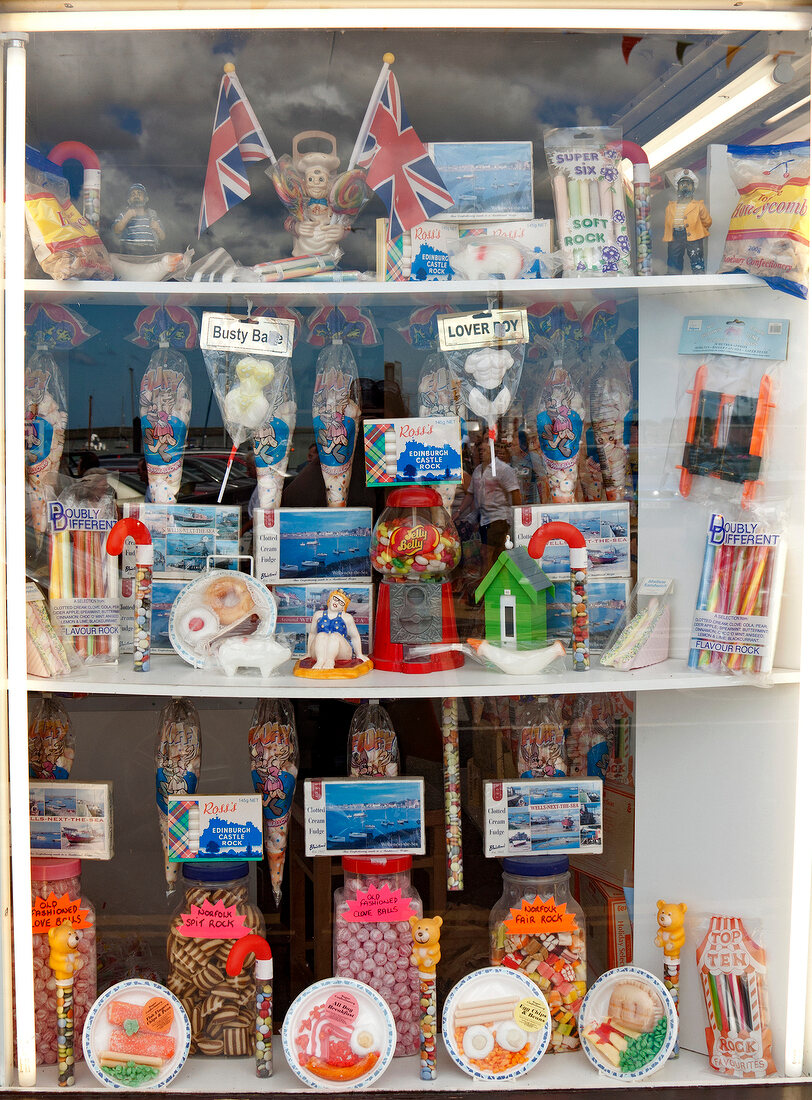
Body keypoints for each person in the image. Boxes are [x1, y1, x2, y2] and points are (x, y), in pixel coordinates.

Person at [455, 438, 520, 570]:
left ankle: (485, 583)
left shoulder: (503, 469)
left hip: (499, 517)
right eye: (479, 450)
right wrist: (459, 512)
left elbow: (515, 493)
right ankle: (497, 582)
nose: (481, 453)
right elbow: (470, 494)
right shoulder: (478, 470)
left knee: (486, 553)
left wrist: (516, 516)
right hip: (483, 518)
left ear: (492, 451)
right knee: (495, 553)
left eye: (484, 450)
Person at [663, 169, 711, 274]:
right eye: (682, 183)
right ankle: (673, 274)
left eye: (688, 184)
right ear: (677, 187)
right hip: (675, 236)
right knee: (674, 257)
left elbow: (707, 221)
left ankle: (698, 271)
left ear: (693, 187)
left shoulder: (699, 205)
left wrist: (698, 229)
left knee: (696, 256)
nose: (685, 186)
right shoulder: (670, 206)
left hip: (693, 235)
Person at [306, 589, 365, 670]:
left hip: (341, 651)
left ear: (343, 607)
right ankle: (320, 661)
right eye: (336, 599)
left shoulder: (347, 617)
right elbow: (312, 634)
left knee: (335, 635)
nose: (336, 603)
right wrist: (308, 653)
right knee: (320, 635)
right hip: (320, 650)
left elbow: (354, 636)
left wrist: (359, 654)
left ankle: (330, 661)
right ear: (330, 599)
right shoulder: (317, 615)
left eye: (341, 602)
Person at [112, 183, 166, 256]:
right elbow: (116, 230)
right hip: (127, 253)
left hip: (149, 254)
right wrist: (126, 218)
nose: (136, 196)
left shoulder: (153, 216)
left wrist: (157, 228)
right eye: (133, 194)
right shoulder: (124, 215)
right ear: (129, 200)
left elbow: (162, 237)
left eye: (139, 193)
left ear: (146, 199)